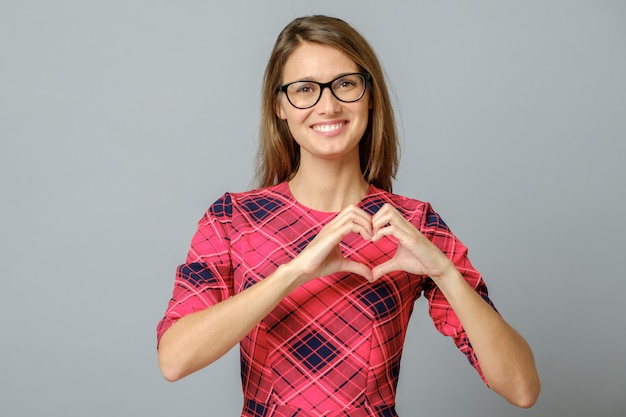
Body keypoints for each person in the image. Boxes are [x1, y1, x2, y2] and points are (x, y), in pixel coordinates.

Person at [156, 15, 541, 416]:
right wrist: (294, 272)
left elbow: (522, 388)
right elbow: (175, 359)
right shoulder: (233, 219)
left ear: (370, 95)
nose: (328, 105)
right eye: (305, 89)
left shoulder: (412, 224)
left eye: (345, 84)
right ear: (279, 106)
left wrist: (444, 271)